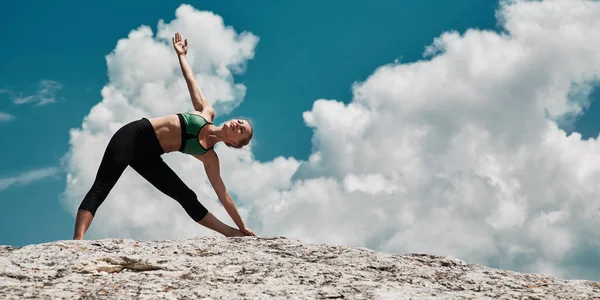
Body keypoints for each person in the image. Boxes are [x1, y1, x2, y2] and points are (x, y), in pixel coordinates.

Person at [72, 32, 256, 240]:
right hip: (134, 135)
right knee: (102, 186)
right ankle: (77, 243)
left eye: (242, 130)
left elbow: (223, 194)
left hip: (148, 156)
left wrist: (241, 224)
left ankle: (233, 234)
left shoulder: (209, 157)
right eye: (240, 122)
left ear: (233, 142)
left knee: (186, 196)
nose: (238, 125)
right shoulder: (206, 112)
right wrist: (182, 56)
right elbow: (191, 80)